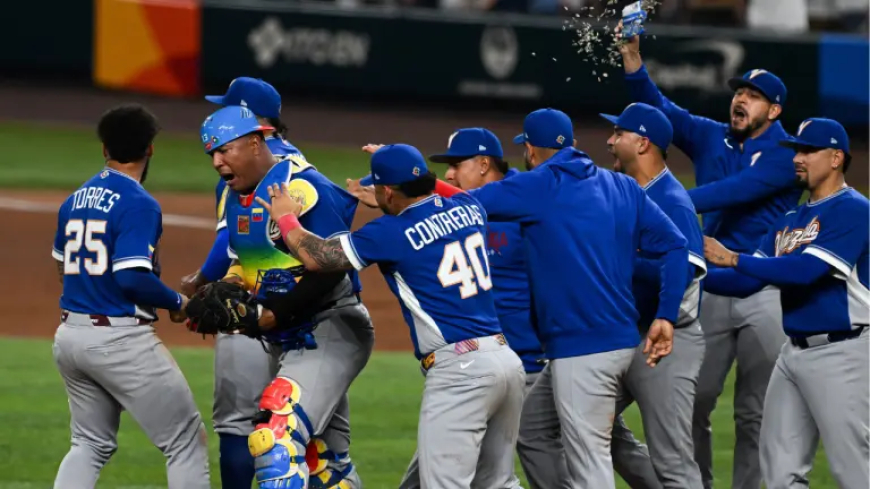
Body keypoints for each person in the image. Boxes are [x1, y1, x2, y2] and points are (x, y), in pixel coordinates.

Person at [436, 108, 689, 488]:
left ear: (532, 151)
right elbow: (675, 245)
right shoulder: (621, 186)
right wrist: (665, 316)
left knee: (589, 460)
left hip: (583, 350)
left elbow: (466, 202)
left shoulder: (540, 185)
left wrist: (416, 181)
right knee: (534, 430)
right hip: (621, 342)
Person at [259, 143, 527, 489]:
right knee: (498, 482)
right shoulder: (470, 206)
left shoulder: (390, 232)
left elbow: (319, 257)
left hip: (461, 373)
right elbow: (439, 191)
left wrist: (285, 217)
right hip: (506, 362)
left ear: (387, 191)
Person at [618, 26, 802, 489]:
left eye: (754, 96)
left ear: (774, 110)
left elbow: (733, 192)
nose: (741, 100)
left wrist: (665, 203)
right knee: (693, 402)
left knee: (754, 413)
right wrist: (634, 60)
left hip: (764, 293)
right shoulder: (710, 136)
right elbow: (659, 114)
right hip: (711, 294)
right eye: (739, 91)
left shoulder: (785, 155)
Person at [181, 77, 365, 489]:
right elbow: (246, 261)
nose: (216, 162)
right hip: (291, 338)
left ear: (254, 139)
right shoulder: (241, 191)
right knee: (324, 464)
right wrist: (223, 289)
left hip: (328, 327)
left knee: (273, 439)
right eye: (212, 153)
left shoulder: (299, 185)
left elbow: (335, 266)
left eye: (224, 149)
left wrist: (267, 315)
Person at [702, 117, 868, 489]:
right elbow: (746, 281)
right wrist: (690, 273)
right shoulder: (789, 218)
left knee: (854, 470)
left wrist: (733, 257)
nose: (798, 158)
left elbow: (805, 271)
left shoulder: (853, 209)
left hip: (844, 352)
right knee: (779, 472)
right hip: (791, 355)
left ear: (837, 157)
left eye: (808, 150)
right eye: (796, 150)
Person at [51, 104, 210, 488]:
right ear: (150, 149)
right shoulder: (138, 203)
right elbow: (132, 277)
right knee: (185, 441)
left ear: (104, 149)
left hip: (70, 337)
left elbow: (62, 267)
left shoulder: (75, 199)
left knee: (88, 444)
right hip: (118, 340)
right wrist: (178, 302)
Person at [601, 103, 707, 489]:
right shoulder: (628, 192)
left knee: (673, 462)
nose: (610, 141)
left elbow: (680, 270)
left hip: (666, 344)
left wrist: (619, 262)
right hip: (627, 336)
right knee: (575, 424)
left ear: (643, 143)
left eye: (618, 134)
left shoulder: (672, 201)